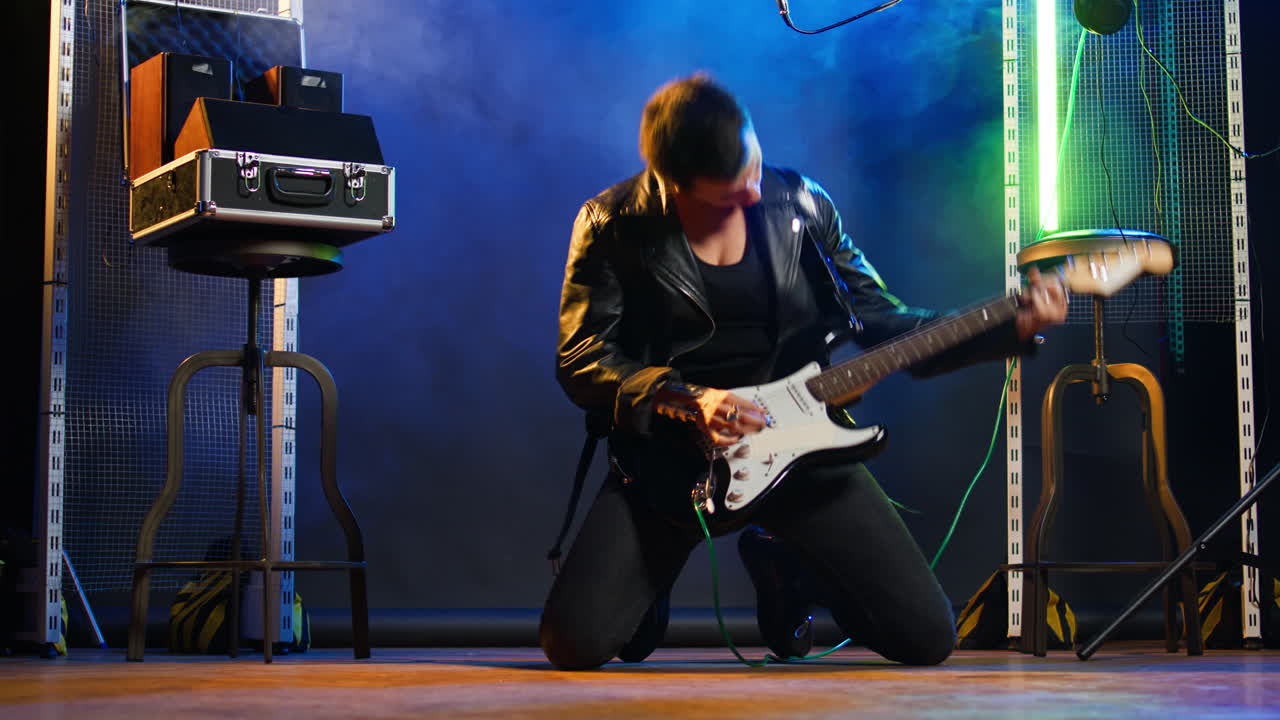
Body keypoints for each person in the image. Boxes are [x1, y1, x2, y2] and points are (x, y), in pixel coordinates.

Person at [541, 73, 1067, 671]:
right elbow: (581, 358)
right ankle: (649, 596)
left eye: (754, 167)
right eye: (729, 193)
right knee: (575, 644)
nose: (753, 194)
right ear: (673, 183)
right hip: (673, 463)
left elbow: (880, 320)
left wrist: (1009, 326)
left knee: (927, 638)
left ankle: (787, 563)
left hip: (803, 448)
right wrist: (687, 400)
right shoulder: (612, 224)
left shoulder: (801, 204)